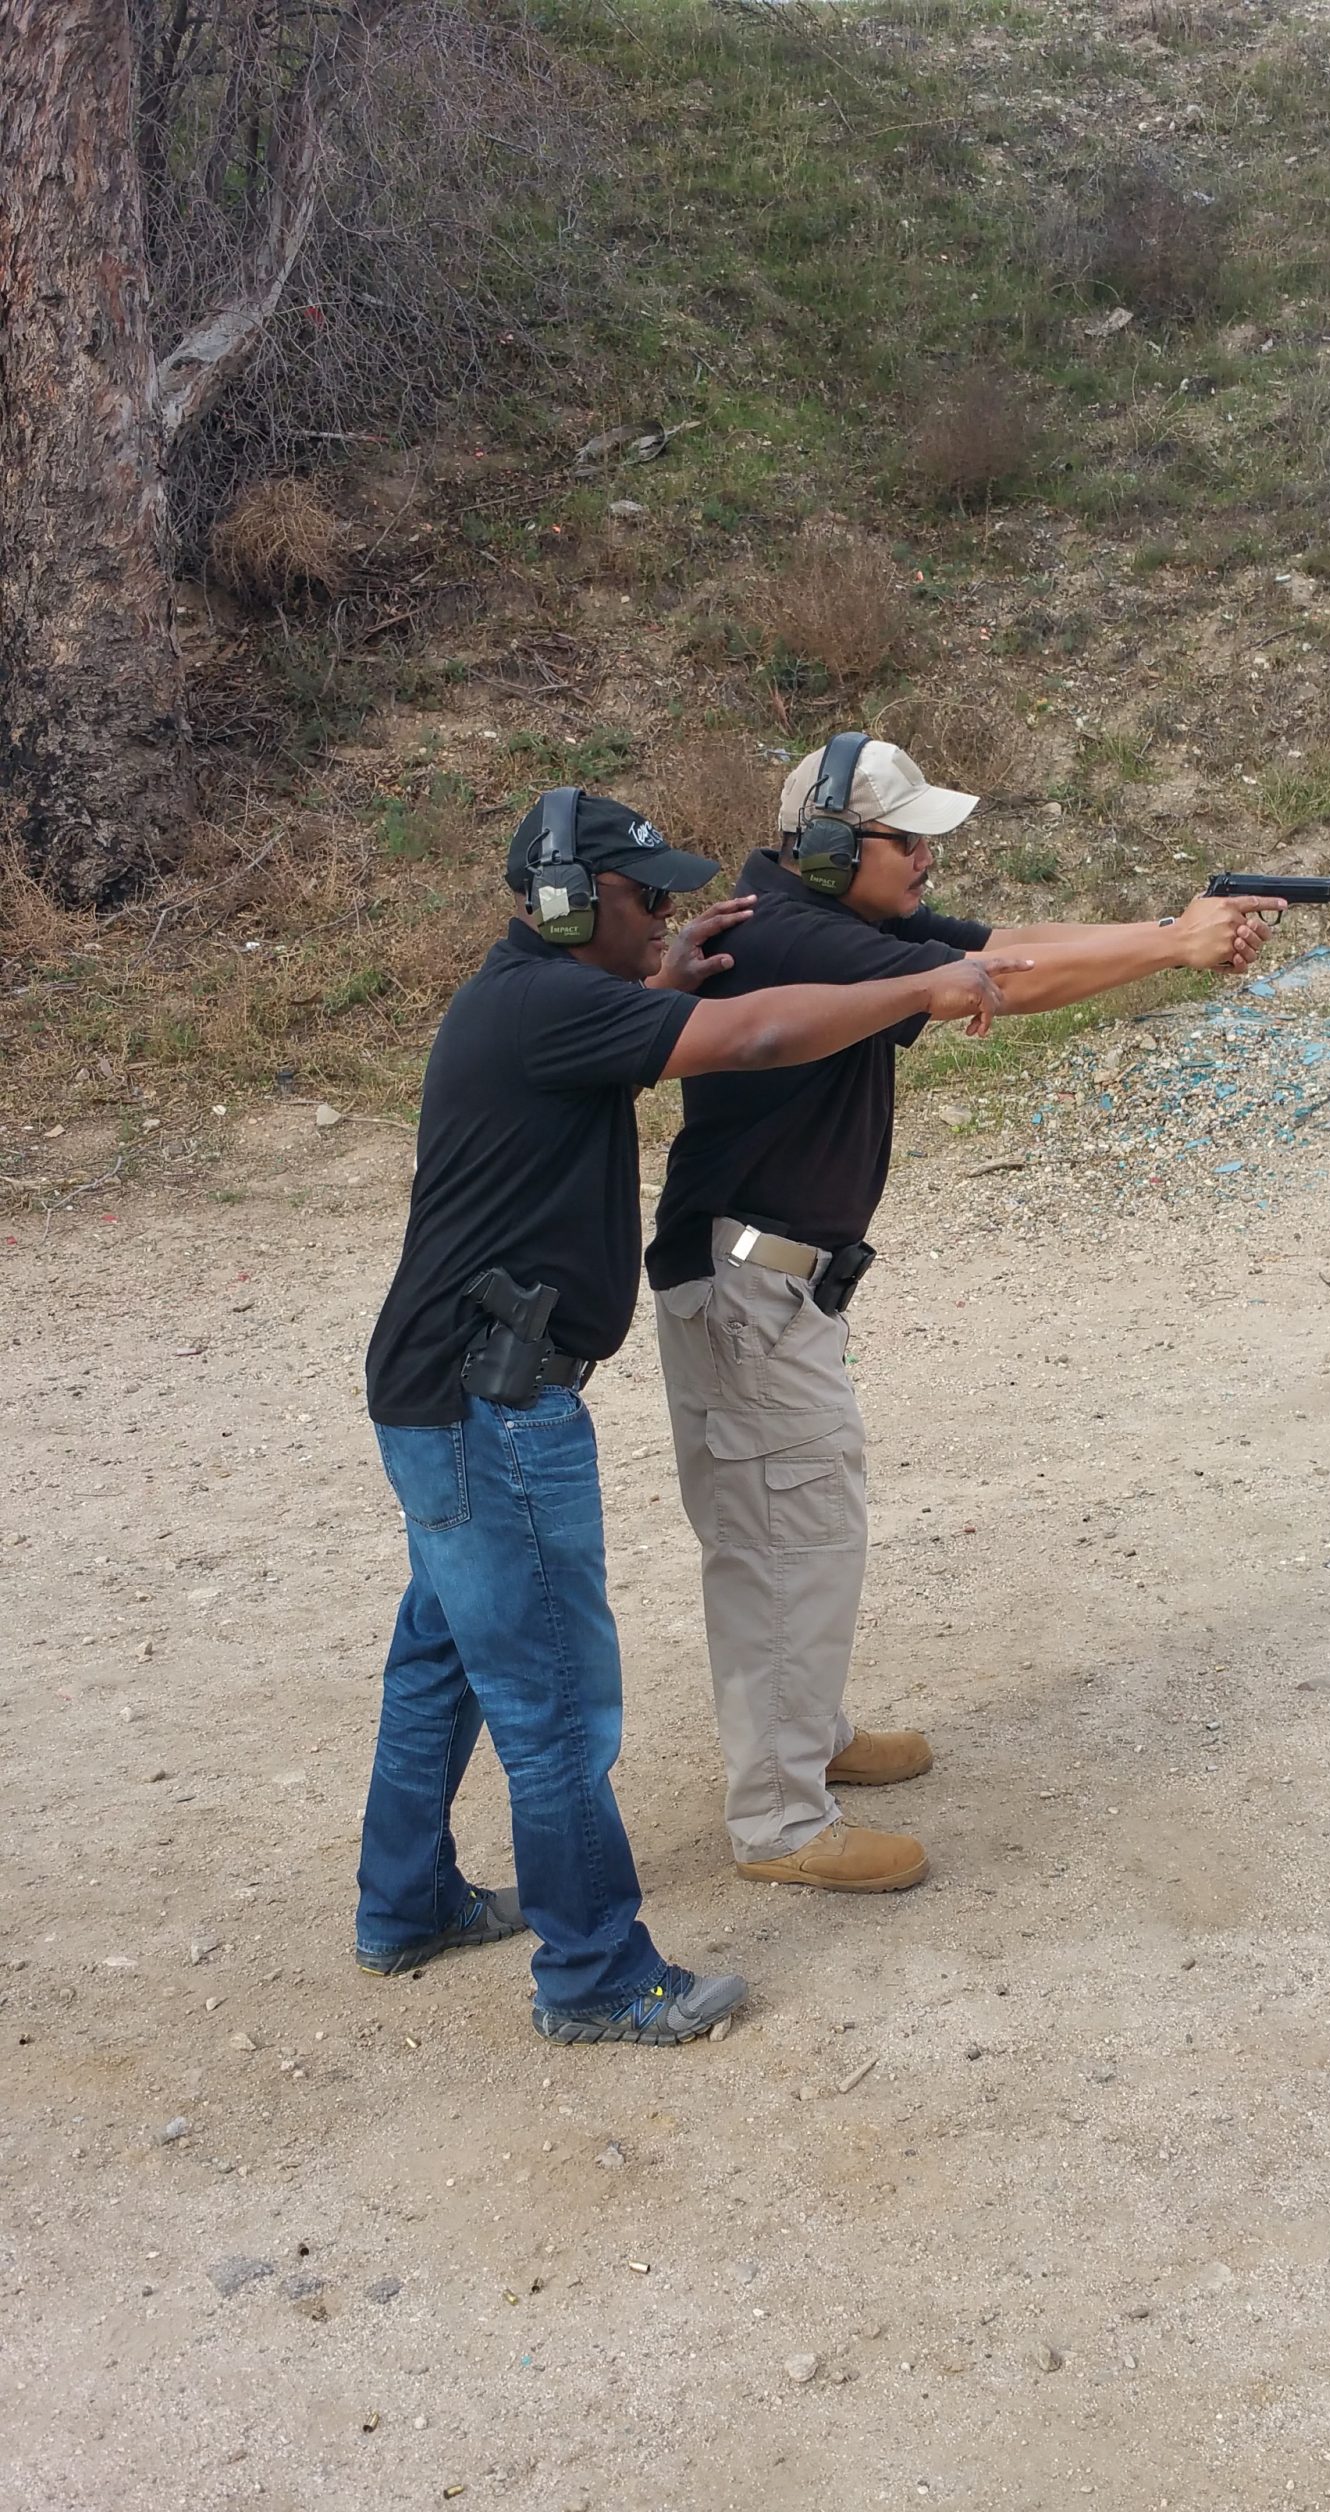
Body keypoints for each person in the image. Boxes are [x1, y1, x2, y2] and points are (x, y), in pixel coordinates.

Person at [354, 787, 1023, 2048]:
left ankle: (406, 1902)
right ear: (564, 904)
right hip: (492, 1405)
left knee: (442, 1660)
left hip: (445, 1394)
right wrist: (911, 988)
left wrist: (656, 973)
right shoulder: (546, 1005)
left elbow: (649, 1020)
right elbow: (761, 1033)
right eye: (641, 898)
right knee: (555, 1697)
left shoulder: (529, 999)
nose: (665, 915)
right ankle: (596, 1972)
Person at [647, 731, 1275, 1894]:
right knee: (785, 1537)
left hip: (777, 1285)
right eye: (908, 836)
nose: (931, 855)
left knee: (805, 1523)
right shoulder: (789, 935)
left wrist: (1165, 939)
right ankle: (781, 1819)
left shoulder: (833, 920)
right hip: (750, 1286)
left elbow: (1008, 950)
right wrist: (1177, 946)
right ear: (833, 845)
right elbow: (1012, 981)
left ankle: (810, 1736)